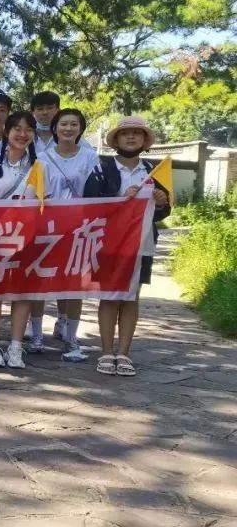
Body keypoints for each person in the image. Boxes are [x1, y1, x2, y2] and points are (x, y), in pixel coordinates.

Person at [85, 117, 169, 377]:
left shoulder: (154, 171)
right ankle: (106, 352)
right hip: (109, 243)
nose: (131, 137)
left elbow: (163, 212)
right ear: (116, 140)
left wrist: (161, 202)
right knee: (110, 296)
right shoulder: (101, 169)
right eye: (125, 133)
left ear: (145, 141)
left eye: (137, 133)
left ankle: (124, 353)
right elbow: (89, 204)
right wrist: (120, 200)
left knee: (131, 297)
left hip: (142, 244)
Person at [0, 110, 55, 368]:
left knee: (23, 293)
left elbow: (46, 204)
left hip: (27, 239)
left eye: (28, 129)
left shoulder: (40, 167)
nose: (22, 134)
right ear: (7, 132)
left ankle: (16, 346)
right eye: (17, 128)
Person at [42, 107, 98, 362]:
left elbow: (97, 192)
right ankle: (36, 331)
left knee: (74, 282)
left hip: (80, 228)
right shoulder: (42, 157)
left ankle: (70, 333)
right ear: (54, 128)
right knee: (44, 279)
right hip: (48, 227)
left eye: (74, 124)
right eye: (63, 124)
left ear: (80, 129)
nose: (68, 128)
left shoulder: (90, 157)